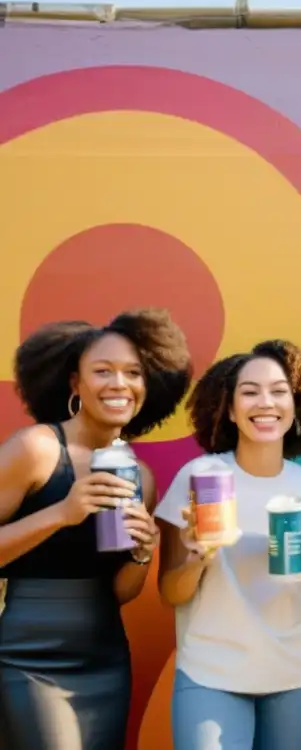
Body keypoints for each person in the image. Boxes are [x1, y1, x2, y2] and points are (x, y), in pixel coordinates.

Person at [0, 309, 192, 749]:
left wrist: (143, 551)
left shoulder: (139, 476)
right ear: (75, 383)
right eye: (102, 371)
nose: (119, 384)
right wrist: (60, 514)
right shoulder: (37, 450)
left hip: (104, 654)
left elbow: (121, 591)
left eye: (133, 373)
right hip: (26, 654)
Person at [156, 339, 301, 750]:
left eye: (279, 391)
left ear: (296, 406)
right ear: (230, 408)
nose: (265, 403)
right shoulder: (200, 477)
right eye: (249, 391)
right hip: (211, 672)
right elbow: (170, 593)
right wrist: (199, 558)